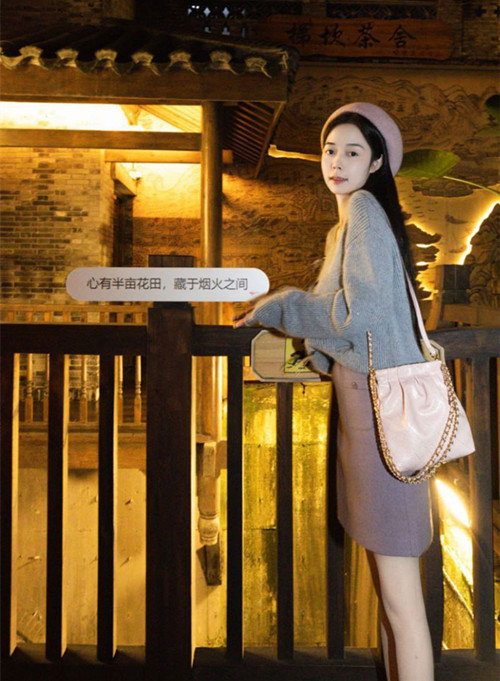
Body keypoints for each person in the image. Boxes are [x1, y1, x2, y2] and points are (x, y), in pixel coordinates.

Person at [233, 102, 435, 681]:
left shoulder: (364, 211)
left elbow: (359, 313)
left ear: (376, 163)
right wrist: (316, 348)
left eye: (352, 152)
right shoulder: (348, 222)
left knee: (400, 600)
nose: (336, 162)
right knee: (391, 596)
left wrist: (280, 306)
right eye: (329, 150)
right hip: (369, 417)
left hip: (381, 424)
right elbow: (359, 320)